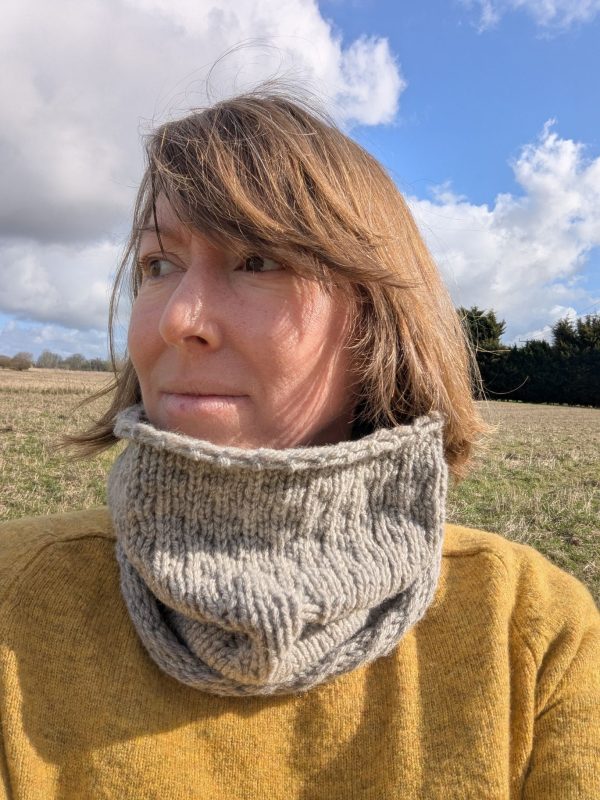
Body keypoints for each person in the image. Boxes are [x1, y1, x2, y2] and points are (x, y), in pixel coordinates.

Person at [1, 90, 598, 800]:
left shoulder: (528, 630)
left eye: (255, 261)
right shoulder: (17, 595)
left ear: (379, 322)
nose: (179, 319)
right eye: (159, 266)